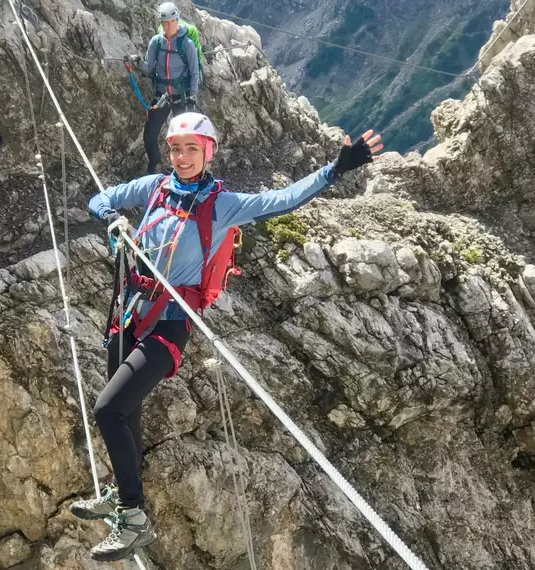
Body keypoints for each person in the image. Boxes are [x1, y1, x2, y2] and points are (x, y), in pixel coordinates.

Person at [71, 112, 383, 562]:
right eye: (175, 148)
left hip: (170, 325)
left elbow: (283, 199)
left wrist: (334, 170)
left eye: (190, 149)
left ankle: (133, 518)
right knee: (126, 411)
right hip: (129, 317)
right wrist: (112, 219)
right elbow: (100, 198)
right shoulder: (154, 188)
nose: (180, 157)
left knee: (107, 410)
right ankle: (121, 492)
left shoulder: (220, 205)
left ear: (208, 152)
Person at [126, 2, 200, 174]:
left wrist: (192, 97)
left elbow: (195, 73)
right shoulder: (156, 42)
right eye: (164, 22)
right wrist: (136, 61)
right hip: (162, 96)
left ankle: (183, 170)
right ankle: (156, 164)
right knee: (149, 135)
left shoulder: (187, 44)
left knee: (182, 138)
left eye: (171, 21)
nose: (167, 26)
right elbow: (148, 67)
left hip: (182, 96)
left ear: (177, 20)